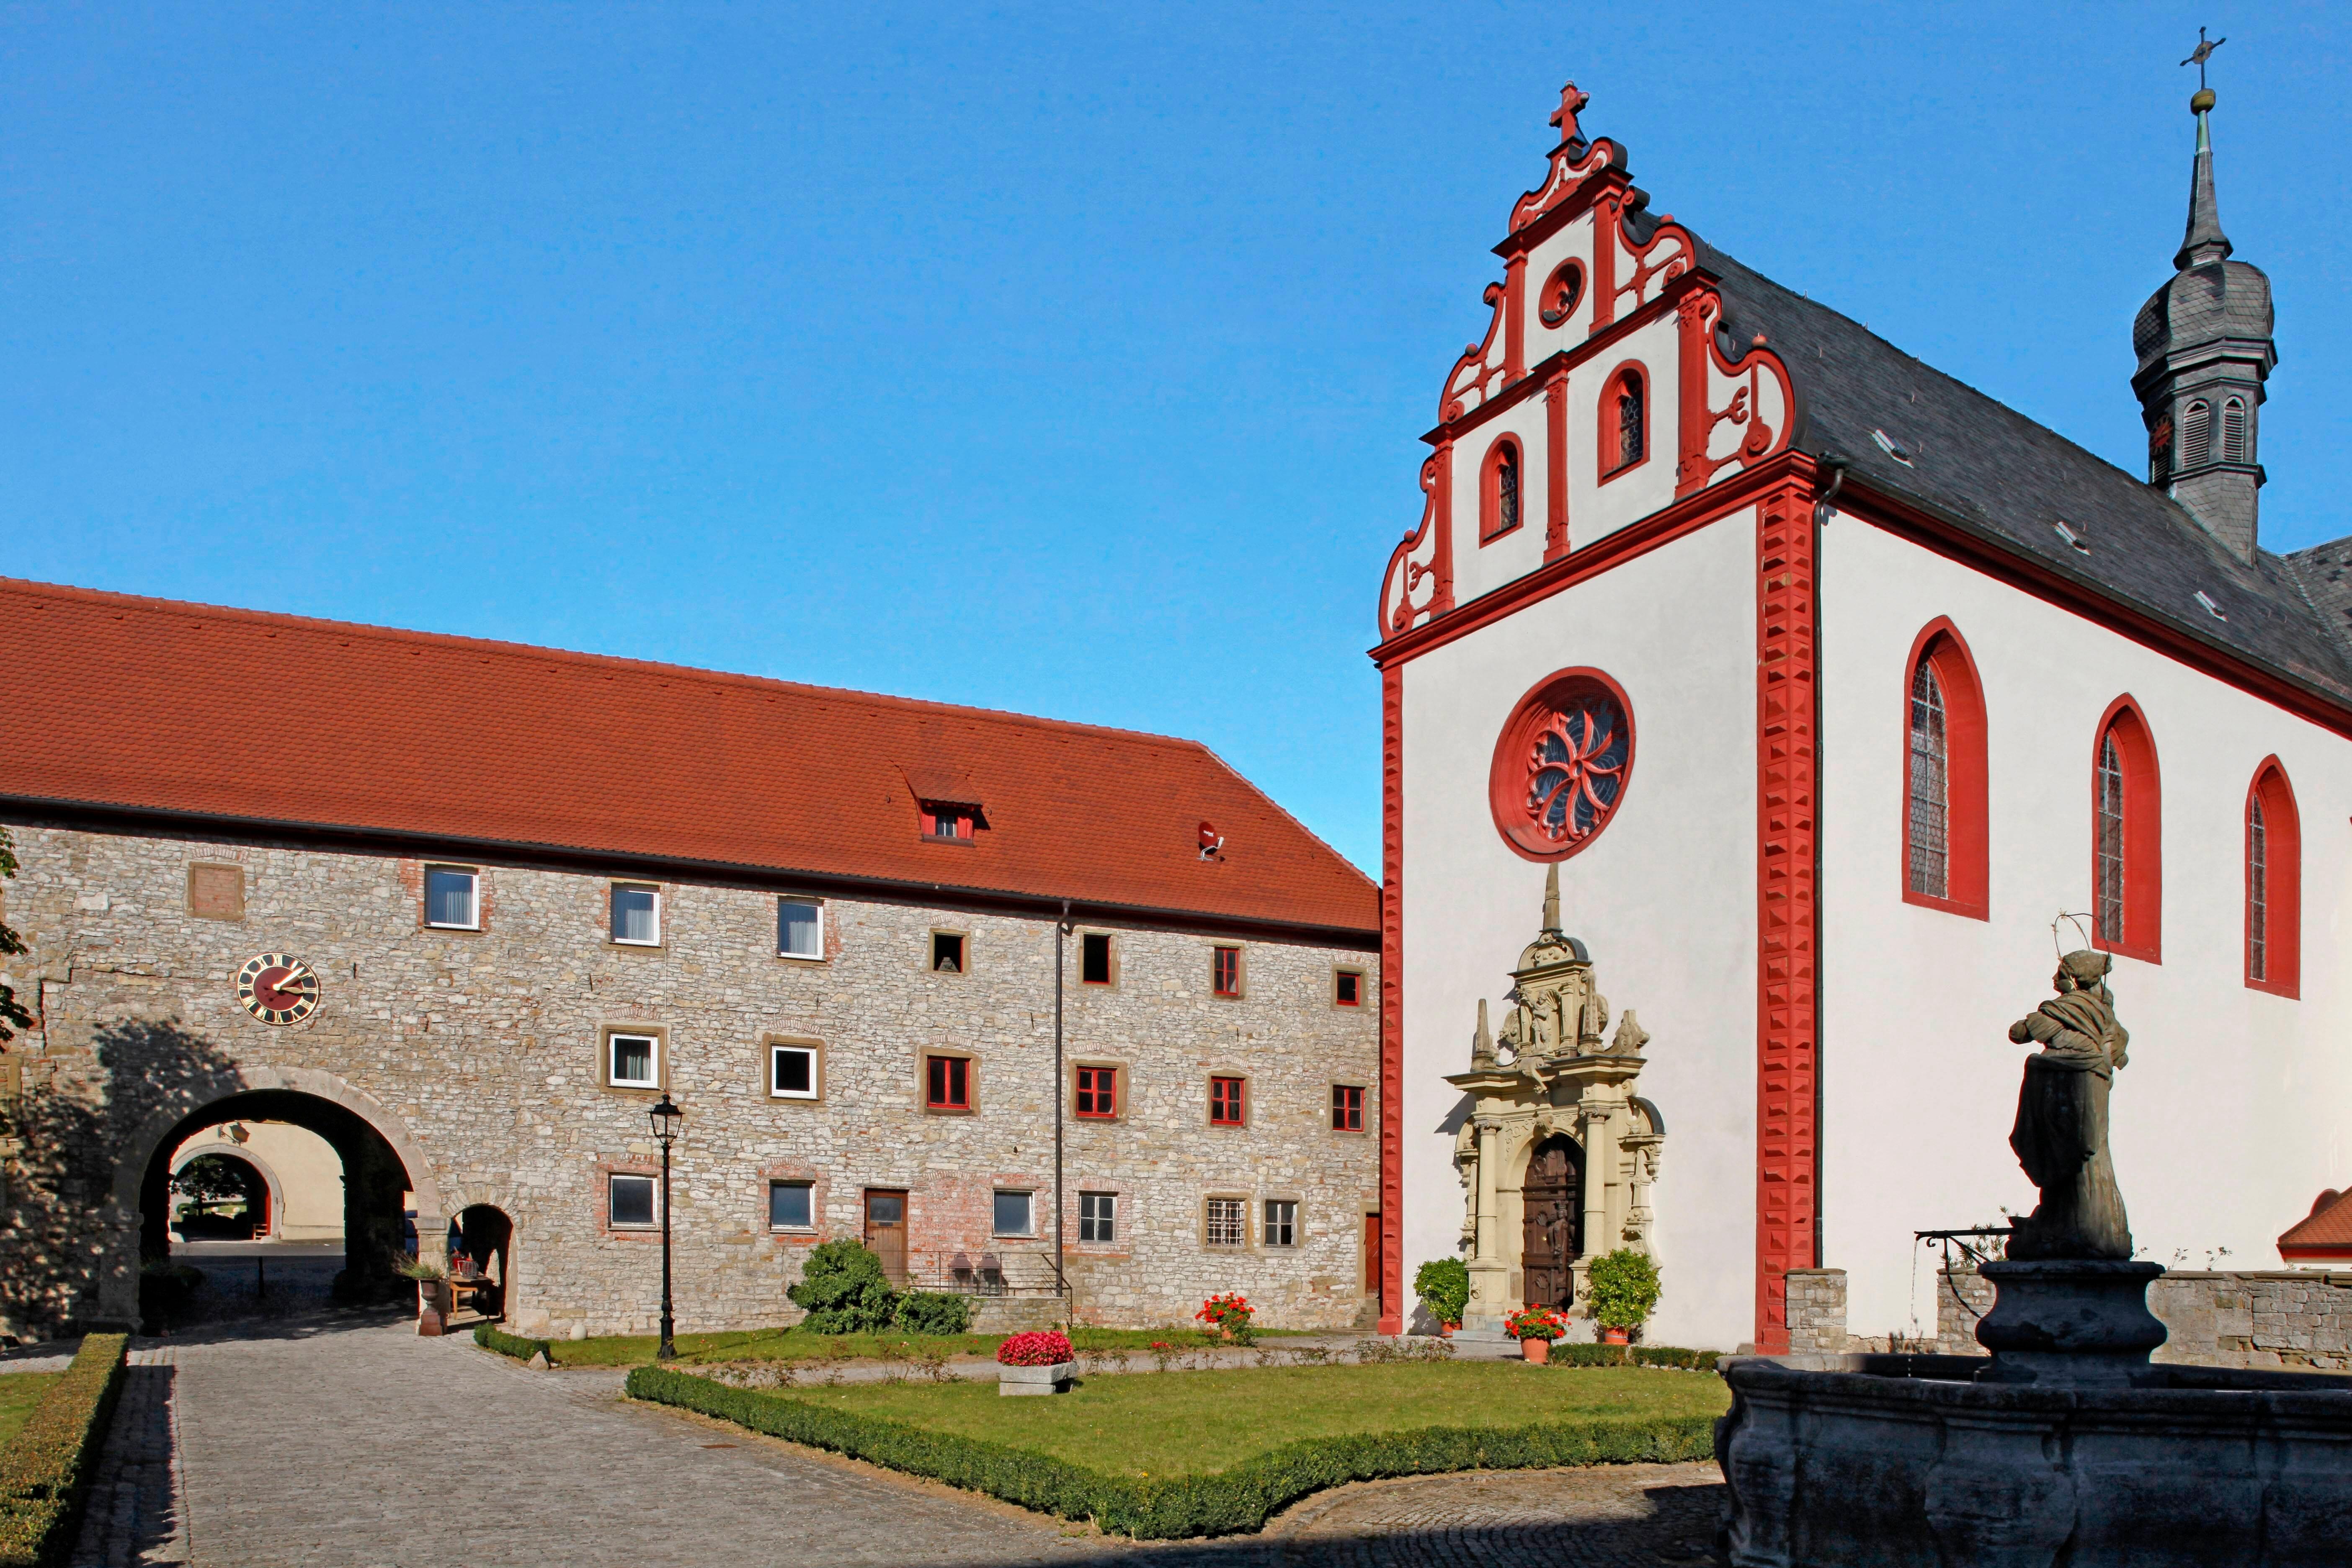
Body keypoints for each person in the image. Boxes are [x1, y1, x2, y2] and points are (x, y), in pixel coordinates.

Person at [2005, 950, 2132, 1260]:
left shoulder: (2068, 1009)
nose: (2054, 979)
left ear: (2074, 979)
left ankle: (2069, 1229)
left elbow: (2018, 1032)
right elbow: (2119, 1053)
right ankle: (2102, 1228)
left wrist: (2039, 1025)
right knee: (2090, 1158)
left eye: (2059, 972)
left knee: (2064, 1158)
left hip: (2064, 1094)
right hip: (2094, 1094)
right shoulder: (2107, 1018)